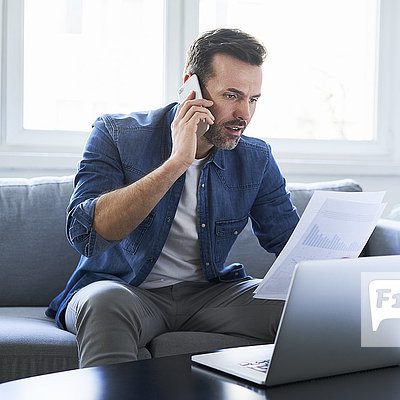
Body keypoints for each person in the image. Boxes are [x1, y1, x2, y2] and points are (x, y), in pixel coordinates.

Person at [46, 28, 300, 368]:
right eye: (231, 96)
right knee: (105, 303)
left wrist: (340, 265)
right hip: (124, 290)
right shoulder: (117, 134)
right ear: (191, 87)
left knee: (303, 310)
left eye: (252, 99)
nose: (244, 114)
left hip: (211, 294)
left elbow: (290, 243)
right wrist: (178, 161)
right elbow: (87, 236)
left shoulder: (256, 157)